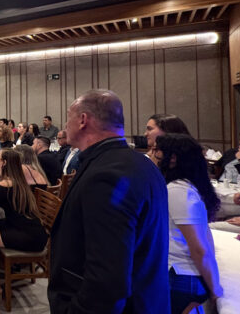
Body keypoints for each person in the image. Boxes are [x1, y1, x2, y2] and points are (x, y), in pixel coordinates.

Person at [48, 89, 169, 313]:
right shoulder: (142, 164)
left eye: (68, 117)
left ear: (83, 120)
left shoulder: (107, 175)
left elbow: (107, 280)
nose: (65, 125)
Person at [155, 134, 224, 313]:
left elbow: (199, 248)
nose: (152, 155)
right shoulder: (180, 188)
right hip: (182, 274)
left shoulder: (179, 191)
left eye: (157, 151)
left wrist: (215, 289)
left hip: (183, 276)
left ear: (173, 158)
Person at [0, 149, 49, 305]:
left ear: (4, 162)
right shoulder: (16, 180)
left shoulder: (5, 184)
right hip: (31, 229)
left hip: (28, 235)